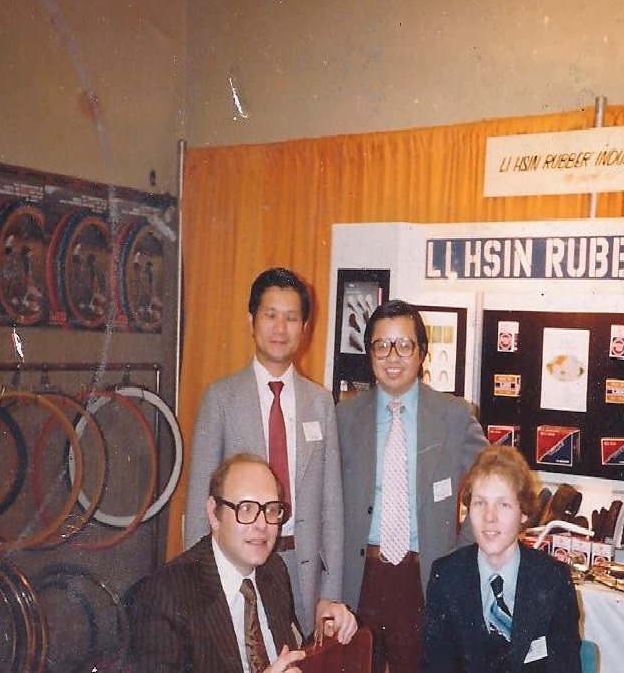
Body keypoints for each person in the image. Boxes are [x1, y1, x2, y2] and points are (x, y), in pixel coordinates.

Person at [184, 267, 345, 636]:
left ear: (304, 327)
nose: (280, 328)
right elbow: (198, 503)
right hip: (239, 562)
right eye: (270, 315)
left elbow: (332, 505)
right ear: (251, 320)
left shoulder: (320, 403)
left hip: (303, 569)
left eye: (291, 318)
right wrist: (199, 586)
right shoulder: (220, 399)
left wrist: (331, 591)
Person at [338, 299, 488, 673]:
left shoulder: (455, 415)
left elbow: (495, 481)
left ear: (421, 352)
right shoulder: (342, 416)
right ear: (369, 352)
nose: (393, 356)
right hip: (359, 580)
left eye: (404, 345)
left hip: (425, 579)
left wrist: (464, 547)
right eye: (381, 345)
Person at [130, 453, 357, 672]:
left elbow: (288, 656)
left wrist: (324, 628)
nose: (261, 524)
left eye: (271, 509)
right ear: (213, 513)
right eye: (246, 508)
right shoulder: (167, 594)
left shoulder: (274, 570)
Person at [422, 446, 582, 673]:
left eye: (503, 504)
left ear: (524, 513)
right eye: (480, 503)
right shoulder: (446, 577)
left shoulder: (553, 581)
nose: (489, 517)